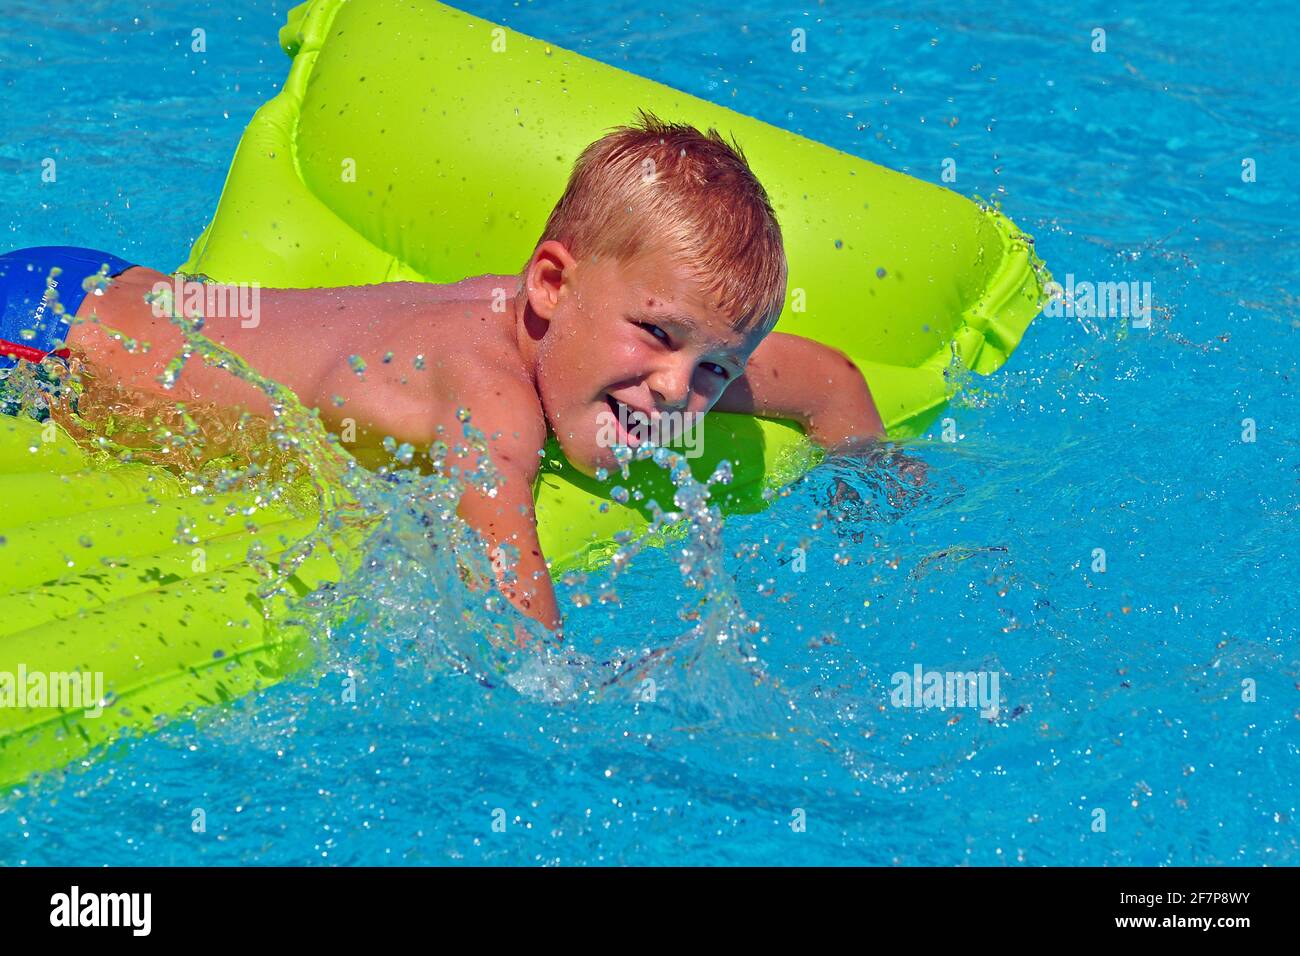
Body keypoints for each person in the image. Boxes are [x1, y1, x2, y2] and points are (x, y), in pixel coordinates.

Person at [0, 110, 884, 633]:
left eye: (714, 370)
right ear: (550, 285)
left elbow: (833, 380)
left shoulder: (661, 349)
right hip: (47, 344)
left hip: (114, 285)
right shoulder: (487, 390)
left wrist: (875, 496)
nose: (675, 390)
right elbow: (513, 610)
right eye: (656, 334)